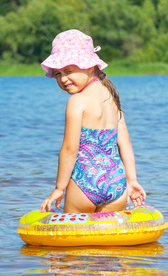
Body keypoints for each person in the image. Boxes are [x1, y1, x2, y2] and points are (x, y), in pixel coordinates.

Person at [39, 29, 146, 213]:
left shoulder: (76, 102)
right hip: (116, 183)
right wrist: (132, 180)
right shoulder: (110, 96)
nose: (63, 79)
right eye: (57, 73)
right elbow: (125, 143)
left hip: (85, 182)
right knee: (107, 240)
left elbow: (69, 149)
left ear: (89, 66)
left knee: (73, 237)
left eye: (68, 71)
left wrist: (59, 188)